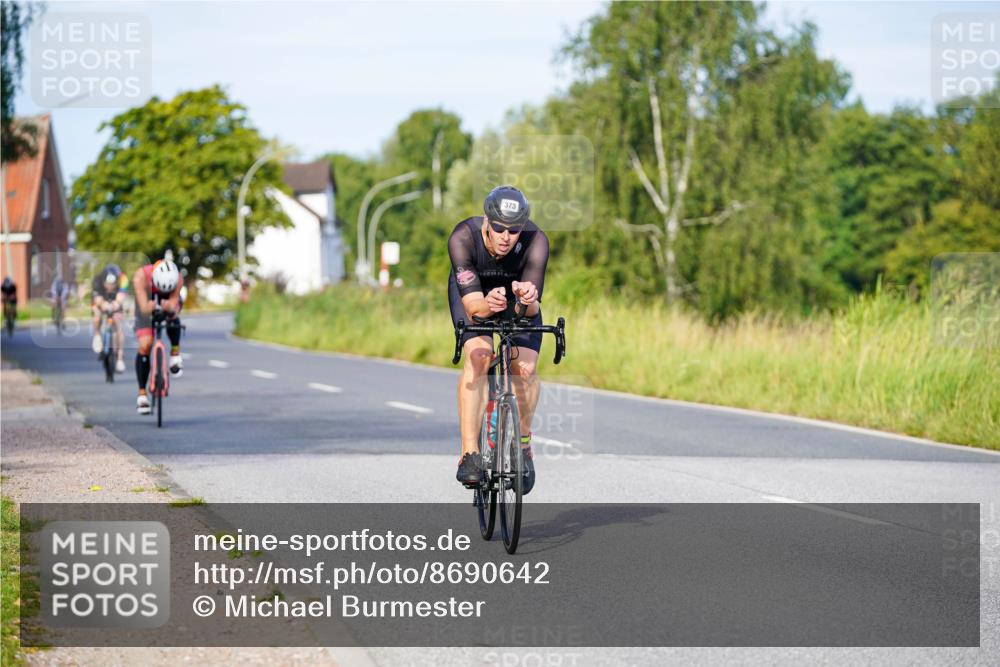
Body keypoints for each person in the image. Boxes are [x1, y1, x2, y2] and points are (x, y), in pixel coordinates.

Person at [448, 185, 549, 494]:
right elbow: (473, 307)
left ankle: (523, 444)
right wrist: (487, 304)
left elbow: (531, 308)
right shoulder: (463, 238)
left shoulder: (537, 241)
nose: (506, 236)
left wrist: (525, 297)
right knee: (479, 357)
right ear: (486, 222)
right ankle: (470, 453)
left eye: (514, 229)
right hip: (476, 296)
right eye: (500, 228)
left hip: (515, 301)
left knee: (525, 371)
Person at [132, 259, 184, 414]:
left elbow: (174, 302)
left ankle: (175, 353)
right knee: (145, 344)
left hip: (168, 299)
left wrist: (170, 308)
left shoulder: (178, 278)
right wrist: (150, 307)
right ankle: (142, 394)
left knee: (172, 317)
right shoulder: (140, 277)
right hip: (146, 301)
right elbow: (143, 307)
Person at [90, 265, 127, 372]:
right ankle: (97, 335)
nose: (110, 286)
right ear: (103, 281)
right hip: (101, 299)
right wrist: (103, 304)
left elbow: (121, 296)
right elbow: (97, 300)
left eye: (113, 284)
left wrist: (117, 303)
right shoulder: (97, 280)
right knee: (97, 315)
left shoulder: (123, 279)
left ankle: (120, 358)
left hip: (115, 299)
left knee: (118, 325)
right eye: (108, 284)